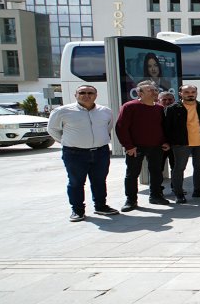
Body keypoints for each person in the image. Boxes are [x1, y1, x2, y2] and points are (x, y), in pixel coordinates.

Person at [48, 85, 117, 222]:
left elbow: (108, 127)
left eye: (90, 93)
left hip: (100, 152)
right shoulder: (62, 111)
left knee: (99, 181)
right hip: (75, 153)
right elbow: (53, 130)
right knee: (76, 182)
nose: (87, 95)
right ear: (76, 95)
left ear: (96, 95)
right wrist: (68, 141)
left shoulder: (105, 111)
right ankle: (77, 210)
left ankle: (101, 206)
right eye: (82, 92)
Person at [115, 81, 171, 211]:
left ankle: (156, 196)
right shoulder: (129, 106)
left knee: (157, 172)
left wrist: (165, 142)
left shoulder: (159, 108)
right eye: (150, 90)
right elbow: (121, 128)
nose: (154, 93)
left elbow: (162, 127)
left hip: (156, 147)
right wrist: (128, 146)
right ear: (139, 93)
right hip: (135, 147)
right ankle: (131, 200)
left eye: (155, 90)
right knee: (132, 174)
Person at [163, 84, 200, 203]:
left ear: (196, 93)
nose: (190, 94)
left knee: (199, 167)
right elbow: (166, 127)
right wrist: (167, 142)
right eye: (186, 92)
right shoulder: (172, 108)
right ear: (180, 93)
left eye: (193, 92)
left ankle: (198, 190)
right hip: (181, 143)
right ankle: (178, 194)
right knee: (179, 168)